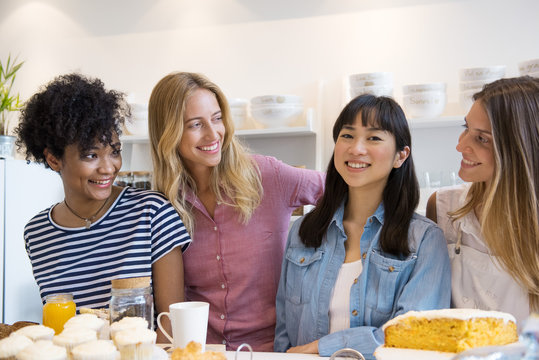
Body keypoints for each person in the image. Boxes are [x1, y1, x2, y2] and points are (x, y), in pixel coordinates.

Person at [148, 71, 325, 351]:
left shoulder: (267, 175)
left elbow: (346, 190)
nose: (213, 133)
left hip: (273, 351)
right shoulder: (165, 202)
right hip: (200, 352)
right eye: (195, 124)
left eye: (217, 118)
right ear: (168, 132)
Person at [16, 73, 191, 340]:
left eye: (114, 151)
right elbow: (61, 332)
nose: (108, 167)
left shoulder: (152, 213)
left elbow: (171, 329)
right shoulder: (37, 234)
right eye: (91, 155)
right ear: (53, 159)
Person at [274, 94, 451, 358]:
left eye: (374, 138)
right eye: (347, 136)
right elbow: (284, 333)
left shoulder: (424, 240)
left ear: (400, 156)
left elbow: (414, 335)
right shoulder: (304, 231)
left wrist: (323, 348)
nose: (356, 148)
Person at [426, 76, 539, 327]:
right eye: (465, 128)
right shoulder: (443, 208)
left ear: (520, 149)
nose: (460, 145)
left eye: (482, 138)